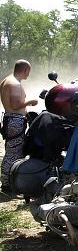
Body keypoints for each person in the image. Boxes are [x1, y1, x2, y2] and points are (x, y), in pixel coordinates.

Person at [0, 60, 38, 193]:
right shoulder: (14, 83)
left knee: (12, 150)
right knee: (13, 152)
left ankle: (7, 181)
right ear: (25, 70)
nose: (29, 75)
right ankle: (6, 183)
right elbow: (16, 105)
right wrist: (30, 102)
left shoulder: (7, 80)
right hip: (15, 120)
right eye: (29, 71)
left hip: (10, 119)